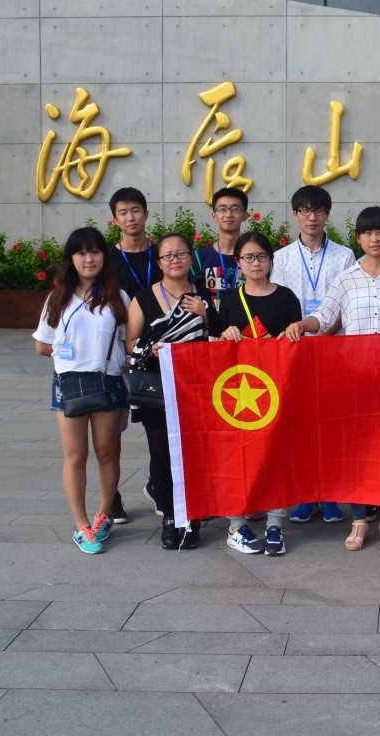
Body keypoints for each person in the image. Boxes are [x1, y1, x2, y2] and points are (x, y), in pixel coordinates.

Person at [286, 207, 380, 552]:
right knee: (357, 451)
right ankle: (359, 520)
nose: (375, 238)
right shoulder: (346, 278)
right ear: (358, 239)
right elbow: (324, 317)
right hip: (355, 379)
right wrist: (302, 325)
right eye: (367, 233)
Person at [33, 227, 129, 555]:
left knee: (107, 452)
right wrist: (74, 352)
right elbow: (42, 346)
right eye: (81, 253)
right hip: (69, 383)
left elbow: (128, 344)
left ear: (104, 256)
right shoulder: (58, 298)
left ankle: (104, 514)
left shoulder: (118, 297)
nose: (89, 259)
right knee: (75, 455)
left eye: (95, 251)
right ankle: (81, 524)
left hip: (108, 382)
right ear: (71, 259)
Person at [125, 233, 219, 551]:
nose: (175, 260)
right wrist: (149, 348)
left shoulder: (206, 295)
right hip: (157, 388)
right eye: (168, 255)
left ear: (191, 258)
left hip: (197, 388)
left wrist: (207, 314)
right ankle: (169, 516)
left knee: (195, 454)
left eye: (181, 254)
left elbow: (223, 336)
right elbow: (130, 343)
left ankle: (191, 517)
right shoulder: (143, 298)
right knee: (161, 453)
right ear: (159, 262)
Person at [271, 185, 356, 525]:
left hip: (334, 350)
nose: (312, 217)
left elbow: (347, 303)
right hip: (296, 352)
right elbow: (278, 303)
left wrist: (326, 333)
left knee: (331, 426)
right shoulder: (281, 258)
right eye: (305, 210)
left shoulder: (344, 256)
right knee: (301, 426)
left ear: (327, 214)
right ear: (295, 215)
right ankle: (307, 495)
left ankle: (331, 495)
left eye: (318, 210)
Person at [217, 231, 304, 557]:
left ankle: (275, 524)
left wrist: (295, 332)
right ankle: (236, 525)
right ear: (238, 262)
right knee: (237, 458)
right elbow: (214, 350)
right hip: (238, 396)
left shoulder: (287, 297)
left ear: (271, 260)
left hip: (277, 392)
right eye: (249, 257)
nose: (256, 263)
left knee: (276, 457)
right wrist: (224, 335)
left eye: (262, 256)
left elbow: (298, 347)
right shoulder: (229, 300)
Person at [106, 186, 161, 523]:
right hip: (116, 352)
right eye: (123, 213)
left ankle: (158, 484)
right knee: (111, 428)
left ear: (146, 214)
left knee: (158, 424)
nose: (131, 218)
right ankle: (111, 496)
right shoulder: (106, 259)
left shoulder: (162, 254)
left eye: (136, 211)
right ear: (114, 220)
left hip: (156, 352)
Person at [191, 187, 247, 311]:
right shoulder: (199, 258)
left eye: (235, 209)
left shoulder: (253, 258)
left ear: (244, 215)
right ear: (214, 216)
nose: (228, 214)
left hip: (246, 320)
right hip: (209, 321)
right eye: (222, 209)